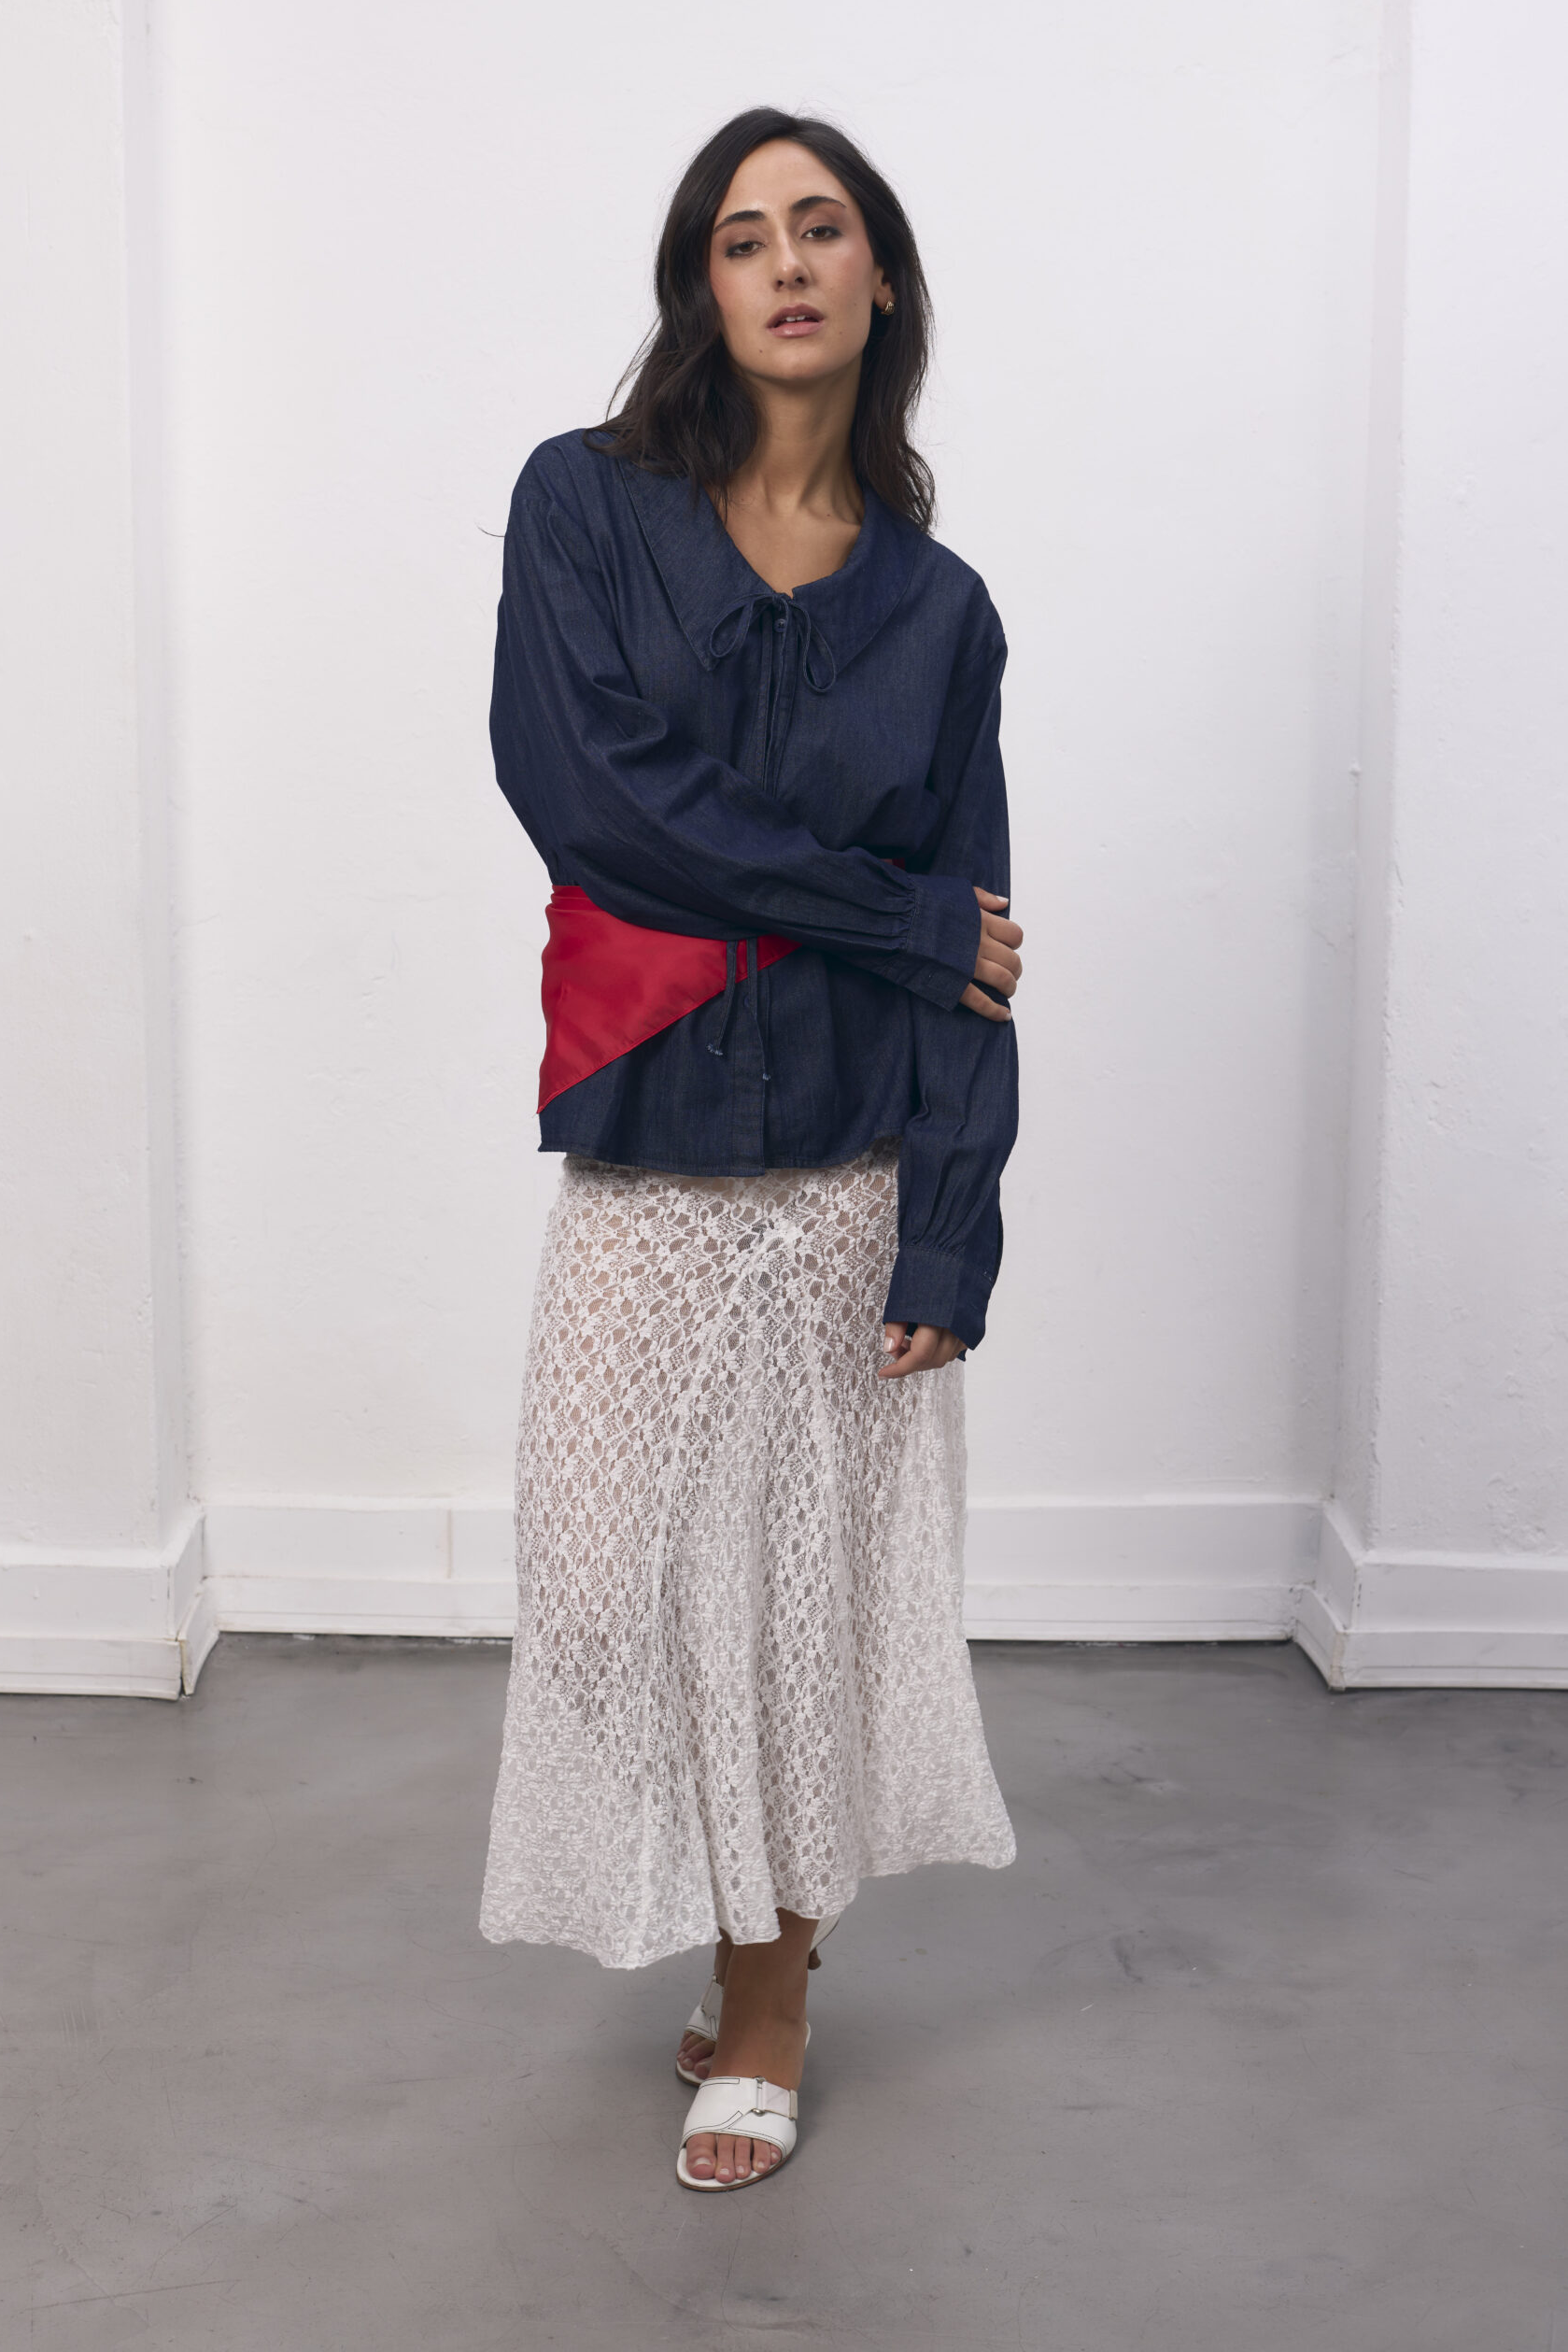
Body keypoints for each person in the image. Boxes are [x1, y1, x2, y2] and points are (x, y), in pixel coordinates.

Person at [479, 106, 1023, 2193]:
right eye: (741, 235)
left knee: (803, 1610)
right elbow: (590, 795)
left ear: (880, 277)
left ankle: (770, 1989)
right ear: (698, 286)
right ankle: (729, 1924)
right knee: (602, 1583)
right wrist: (888, 910)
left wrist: (950, 1231)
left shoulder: (941, 612)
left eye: (822, 227)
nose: (785, 262)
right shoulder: (586, 507)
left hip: (851, 1161)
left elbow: (977, 945)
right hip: (649, 1146)